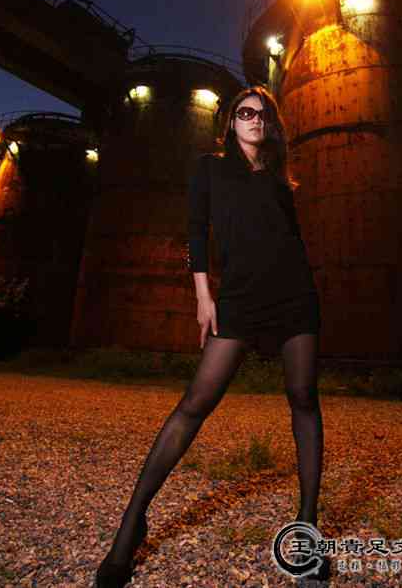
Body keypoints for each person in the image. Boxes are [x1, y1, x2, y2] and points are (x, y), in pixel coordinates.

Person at [95, 85, 330, 587]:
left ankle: (307, 528)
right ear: (231, 122)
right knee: (195, 403)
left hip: (294, 294)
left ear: (270, 124)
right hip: (239, 298)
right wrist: (204, 295)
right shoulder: (210, 168)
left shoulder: (278, 179)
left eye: (262, 114)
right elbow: (197, 231)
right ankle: (132, 522)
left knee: (303, 397)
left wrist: (308, 292)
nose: (254, 120)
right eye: (245, 112)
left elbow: (292, 238)